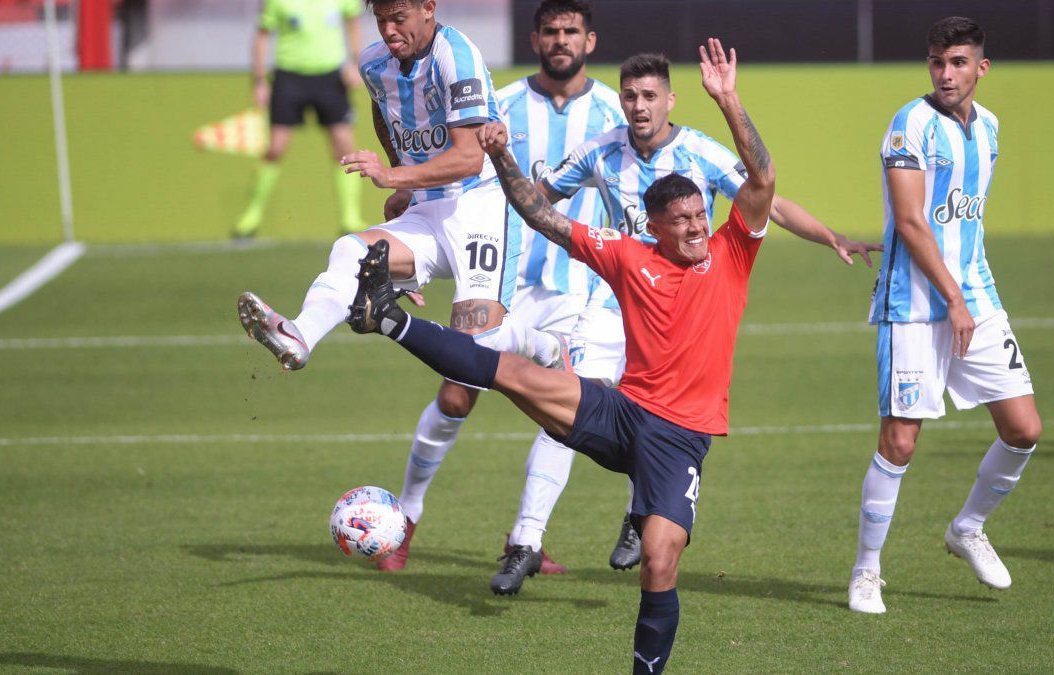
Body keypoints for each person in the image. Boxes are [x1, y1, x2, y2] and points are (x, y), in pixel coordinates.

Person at [349, 38, 770, 674]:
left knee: (659, 558)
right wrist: (503, 155)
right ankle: (389, 318)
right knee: (511, 372)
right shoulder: (630, 256)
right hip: (626, 410)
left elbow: (762, 179)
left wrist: (729, 100)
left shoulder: (731, 253)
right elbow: (540, 212)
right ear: (652, 226)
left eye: (696, 215)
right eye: (678, 219)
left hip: (680, 439)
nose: (692, 227)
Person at [530, 50, 882, 576]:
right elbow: (536, 201)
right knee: (563, 406)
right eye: (630, 96)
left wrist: (828, 235)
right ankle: (526, 539)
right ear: (619, 100)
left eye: (650, 95)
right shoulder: (599, 152)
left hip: (685, 308)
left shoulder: (698, 151)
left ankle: (639, 511)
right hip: (614, 303)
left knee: (658, 415)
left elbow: (767, 199)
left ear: (670, 100)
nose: (639, 106)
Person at [376, 0, 626, 586]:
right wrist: (408, 204)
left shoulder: (617, 114)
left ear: (590, 40)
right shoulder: (500, 104)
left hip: (577, 295)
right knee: (458, 396)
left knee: (567, 411)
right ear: (535, 38)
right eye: (551, 31)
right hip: (502, 281)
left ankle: (526, 538)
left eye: (572, 32)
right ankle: (407, 515)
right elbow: (449, 168)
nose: (561, 40)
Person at [238, 1, 554, 383]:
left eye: (398, 18)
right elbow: (382, 109)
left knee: (477, 347)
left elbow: (470, 158)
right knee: (351, 251)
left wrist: (394, 177)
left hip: (479, 204)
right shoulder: (373, 63)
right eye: (381, 19)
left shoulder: (455, 54)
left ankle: (544, 345)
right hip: (427, 208)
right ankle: (299, 334)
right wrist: (406, 179)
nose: (388, 30)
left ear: (428, 8)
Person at [847, 16, 1041, 614]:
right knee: (900, 442)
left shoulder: (991, 129)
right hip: (912, 304)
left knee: (1024, 429)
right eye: (937, 62)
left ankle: (967, 527)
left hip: (976, 297)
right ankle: (866, 571)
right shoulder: (910, 125)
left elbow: (966, 224)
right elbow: (910, 220)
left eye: (958, 62)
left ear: (982, 68)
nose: (946, 73)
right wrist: (951, 301)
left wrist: (966, 298)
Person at [234, 0, 366, 239]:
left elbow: (354, 23)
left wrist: (355, 62)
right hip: (289, 77)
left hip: (331, 77)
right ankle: (250, 218)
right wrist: (260, 79)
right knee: (275, 148)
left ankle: (350, 218)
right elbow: (262, 37)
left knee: (344, 148)